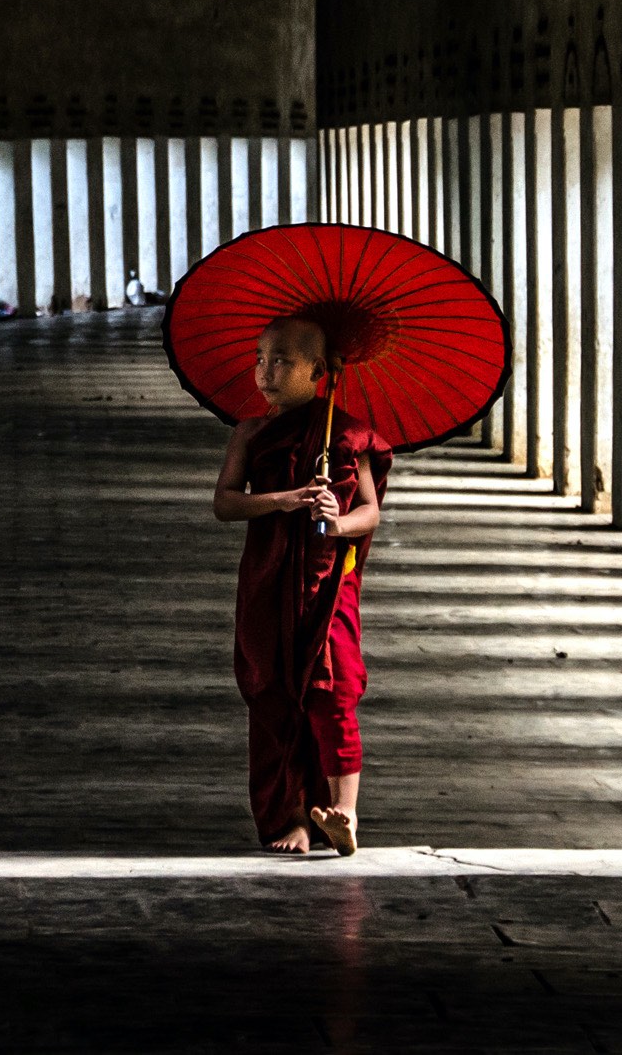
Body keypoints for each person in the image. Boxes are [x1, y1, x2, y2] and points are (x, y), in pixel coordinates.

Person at [212, 316, 389, 856]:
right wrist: (283, 500)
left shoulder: (347, 434)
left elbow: (370, 514)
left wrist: (336, 523)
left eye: (282, 360)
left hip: (327, 583)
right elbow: (225, 502)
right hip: (267, 579)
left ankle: (346, 813)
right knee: (272, 694)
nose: (265, 370)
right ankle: (291, 818)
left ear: (318, 370)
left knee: (331, 691)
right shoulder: (250, 433)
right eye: (260, 357)